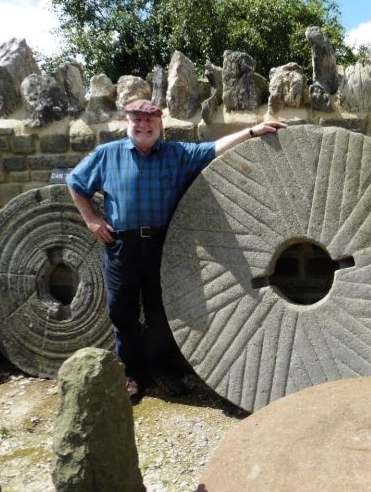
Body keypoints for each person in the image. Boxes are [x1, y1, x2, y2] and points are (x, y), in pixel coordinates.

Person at [66, 99, 287, 403]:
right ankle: (131, 375)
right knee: (122, 312)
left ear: (159, 126)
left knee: (161, 313)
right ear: (128, 123)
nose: (143, 127)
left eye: (149, 123)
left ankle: (161, 370)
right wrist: (92, 220)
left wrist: (252, 131)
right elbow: (75, 183)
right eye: (137, 122)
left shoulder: (176, 154)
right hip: (121, 245)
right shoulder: (108, 155)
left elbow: (214, 148)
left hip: (161, 244)